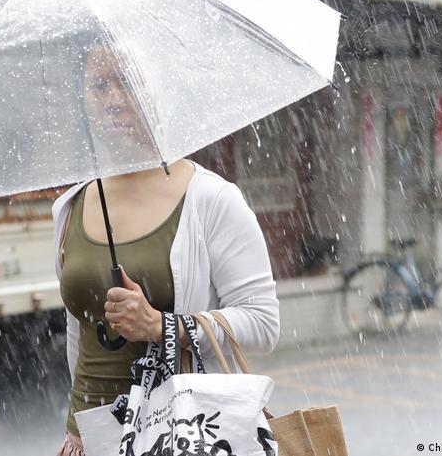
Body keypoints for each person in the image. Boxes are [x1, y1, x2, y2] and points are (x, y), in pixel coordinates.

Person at [52, 41, 280, 456]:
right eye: (99, 86)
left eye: (130, 84)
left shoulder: (211, 200)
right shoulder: (70, 206)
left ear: (164, 91)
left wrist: (162, 326)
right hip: (87, 439)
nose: (114, 100)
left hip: (177, 435)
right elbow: (78, 335)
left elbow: (263, 323)